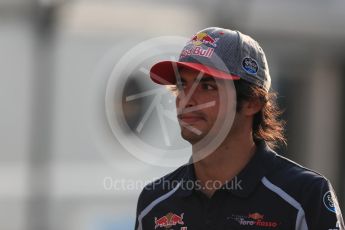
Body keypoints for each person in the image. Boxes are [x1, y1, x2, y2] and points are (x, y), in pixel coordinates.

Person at [134, 27, 344, 230]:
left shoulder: (305, 195)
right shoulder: (154, 202)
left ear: (252, 102)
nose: (187, 99)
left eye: (207, 86)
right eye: (182, 86)